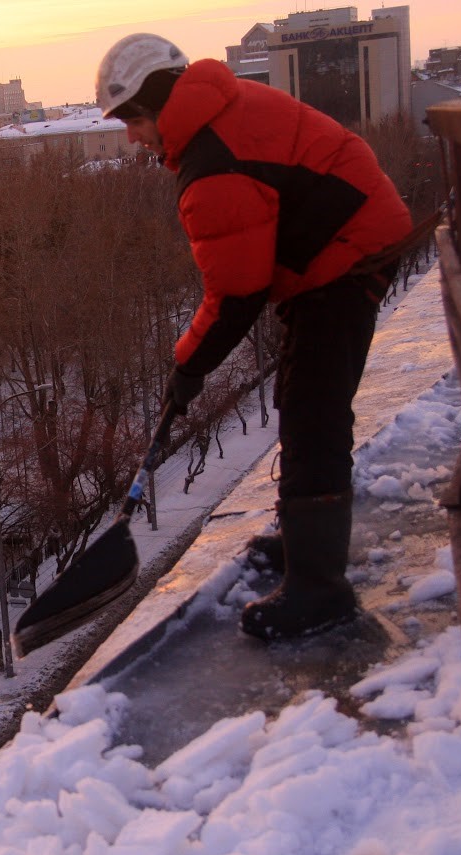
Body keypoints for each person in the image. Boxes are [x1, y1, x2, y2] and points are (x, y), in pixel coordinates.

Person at [96, 35, 413, 641]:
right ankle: (304, 542)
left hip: (347, 256)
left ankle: (320, 592)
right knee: (302, 404)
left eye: (133, 120)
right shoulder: (223, 110)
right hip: (335, 253)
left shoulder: (211, 164)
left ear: (160, 103)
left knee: (311, 415)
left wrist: (187, 366)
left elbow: (238, 294)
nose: (131, 137)